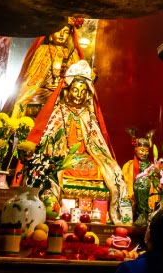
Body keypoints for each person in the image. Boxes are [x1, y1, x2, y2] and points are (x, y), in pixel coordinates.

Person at [27, 59, 132, 224]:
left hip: (86, 157)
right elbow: (49, 138)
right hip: (64, 156)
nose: (78, 95)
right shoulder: (59, 111)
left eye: (83, 92)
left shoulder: (88, 114)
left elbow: (97, 143)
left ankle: (105, 215)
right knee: (48, 169)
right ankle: (51, 212)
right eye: (75, 90)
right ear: (67, 91)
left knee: (112, 172)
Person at [4, 21, 81, 119]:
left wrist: (63, 86)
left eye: (65, 32)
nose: (62, 35)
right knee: (27, 97)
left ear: (69, 35)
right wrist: (45, 84)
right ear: (50, 34)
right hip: (42, 92)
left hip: (62, 93)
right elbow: (32, 78)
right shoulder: (42, 50)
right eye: (58, 31)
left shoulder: (72, 54)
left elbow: (78, 80)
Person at [122, 131, 158, 225]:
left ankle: (144, 214)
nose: (144, 153)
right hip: (132, 202)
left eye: (147, 151)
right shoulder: (128, 166)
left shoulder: (151, 167)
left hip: (147, 204)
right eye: (142, 150)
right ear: (136, 150)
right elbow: (125, 183)